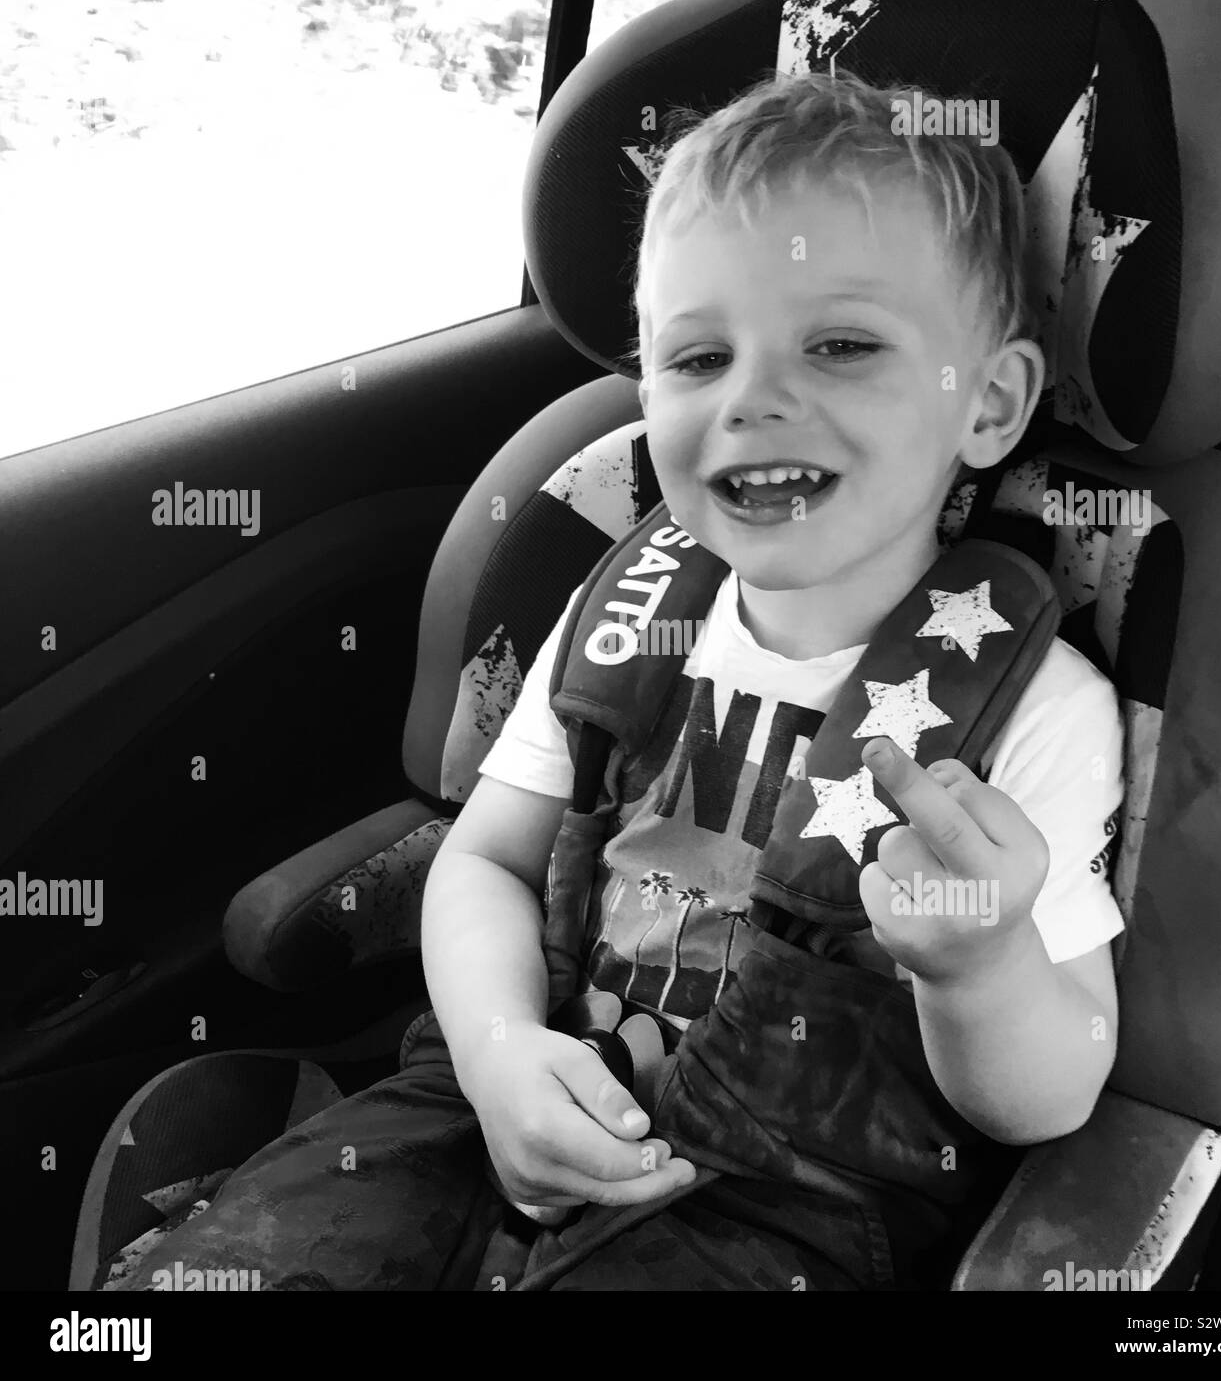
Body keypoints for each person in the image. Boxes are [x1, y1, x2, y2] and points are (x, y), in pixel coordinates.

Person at [117, 69, 1124, 1291]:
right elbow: (482, 860)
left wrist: (984, 962)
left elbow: (1054, 1094)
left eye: (842, 344)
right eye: (698, 356)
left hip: (776, 1203)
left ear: (994, 399)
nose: (753, 398)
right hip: (499, 1091)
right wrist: (494, 1055)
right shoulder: (631, 608)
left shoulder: (1030, 704)